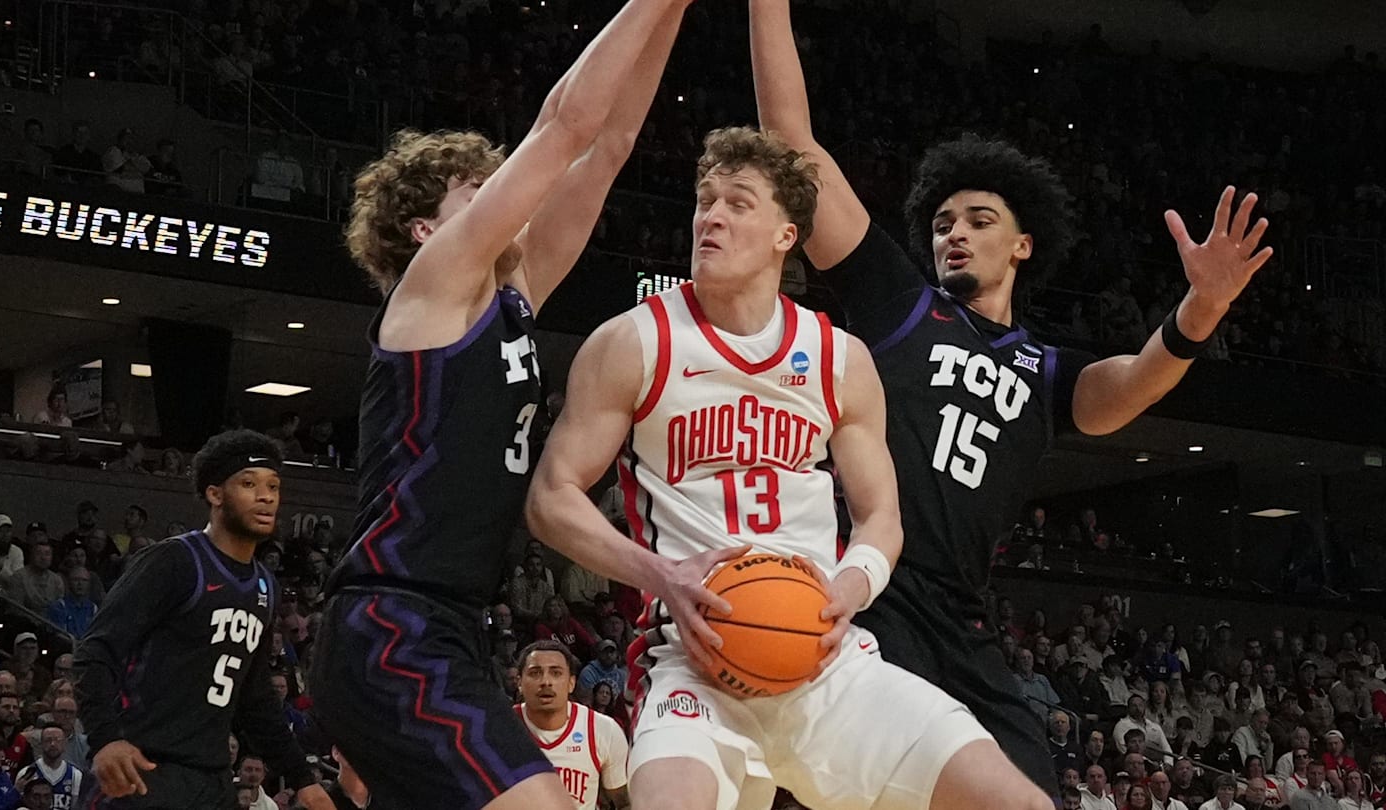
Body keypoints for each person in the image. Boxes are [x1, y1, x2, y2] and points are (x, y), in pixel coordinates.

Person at [748, 0, 1271, 796]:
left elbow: (1127, 387)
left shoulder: (1045, 369)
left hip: (962, 621)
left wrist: (1201, 311)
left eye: (978, 220)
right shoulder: (899, 302)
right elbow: (794, 143)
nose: (952, 233)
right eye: (942, 222)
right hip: (868, 592)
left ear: (1022, 245)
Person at [528, 125, 1046, 810]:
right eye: (704, 201)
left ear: (786, 234)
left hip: (825, 662)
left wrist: (852, 587)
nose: (710, 216)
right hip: (691, 661)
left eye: (738, 203)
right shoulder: (632, 341)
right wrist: (663, 575)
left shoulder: (841, 358)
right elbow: (551, 497)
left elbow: (880, 517)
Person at [308, 0, 699, 806]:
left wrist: (677, 14)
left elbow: (608, 144)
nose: (501, 198)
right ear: (423, 230)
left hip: (448, 625)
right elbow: (562, 126)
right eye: (474, 190)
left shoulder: (509, 296)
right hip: (392, 625)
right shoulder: (431, 289)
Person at [73, 431, 330, 809]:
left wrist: (302, 779)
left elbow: (256, 697)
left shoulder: (265, 585)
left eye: (273, 486)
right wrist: (106, 738)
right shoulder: (174, 561)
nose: (266, 496)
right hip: (141, 768)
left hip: (210, 779)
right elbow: (95, 650)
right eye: (249, 484)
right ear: (215, 494)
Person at [513, 641, 629, 810]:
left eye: (556, 673)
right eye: (535, 673)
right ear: (519, 682)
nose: (546, 681)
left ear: (571, 683)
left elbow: (623, 803)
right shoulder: (499, 729)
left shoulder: (603, 729)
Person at [14, 723, 84, 809]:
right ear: (41, 743)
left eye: (57, 740)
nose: (53, 744)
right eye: (48, 740)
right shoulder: (26, 773)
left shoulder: (75, 775)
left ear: (65, 743)